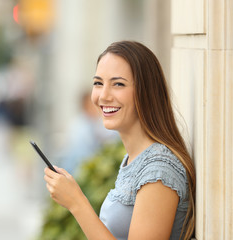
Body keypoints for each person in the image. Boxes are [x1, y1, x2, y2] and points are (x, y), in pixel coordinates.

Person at [44, 41, 196, 240]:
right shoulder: (135, 158)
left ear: (146, 92)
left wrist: (76, 203)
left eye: (118, 84)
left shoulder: (159, 171)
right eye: (98, 83)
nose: (103, 96)